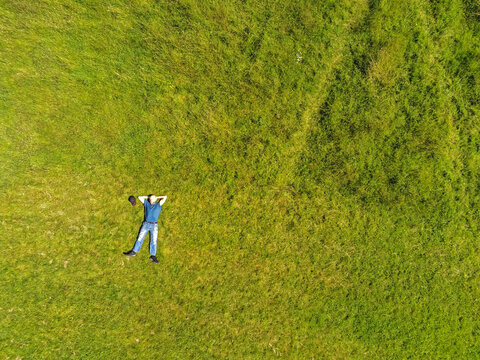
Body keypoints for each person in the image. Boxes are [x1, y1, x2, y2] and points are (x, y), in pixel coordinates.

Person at [123, 194, 167, 264]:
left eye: (153, 199)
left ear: (155, 199)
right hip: (146, 223)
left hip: (154, 225)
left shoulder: (158, 205)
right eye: (150, 199)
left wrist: (156, 197)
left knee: (154, 240)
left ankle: (153, 256)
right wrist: (148, 197)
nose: (151, 200)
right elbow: (139, 197)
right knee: (140, 237)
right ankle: (134, 251)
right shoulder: (147, 204)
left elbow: (165, 197)